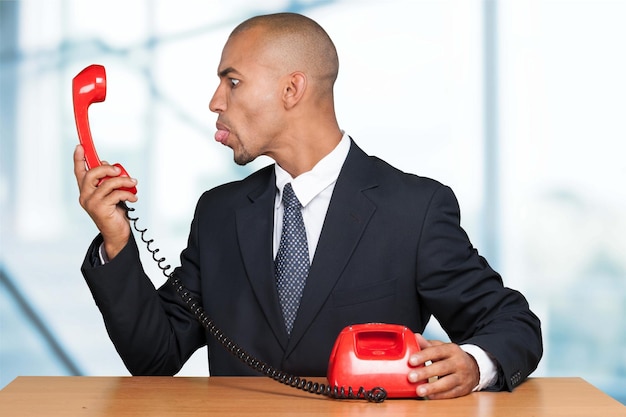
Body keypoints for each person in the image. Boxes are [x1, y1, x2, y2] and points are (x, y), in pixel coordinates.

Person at [74, 12, 542, 400]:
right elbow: (155, 356)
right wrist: (117, 240)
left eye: (232, 82)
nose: (215, 101)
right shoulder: (219, 213)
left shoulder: (413, 208)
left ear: (292, 90)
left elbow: (512, 323)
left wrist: (475, 364)